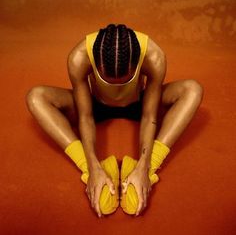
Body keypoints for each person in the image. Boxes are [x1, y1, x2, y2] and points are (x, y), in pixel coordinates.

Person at [25, 24, 203, 217]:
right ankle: (93, 170)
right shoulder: (78, 58)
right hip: (96, 104)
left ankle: (146, 170)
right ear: (97, 65)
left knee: (193, 90)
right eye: (108, 79)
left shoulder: (154, 57)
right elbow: (86, 116)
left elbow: (149, 115)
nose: (117, 87)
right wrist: (93, 168)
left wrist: (144, 167)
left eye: (124, 80)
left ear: (137, 65)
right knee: (36, 97)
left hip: (139, 103)